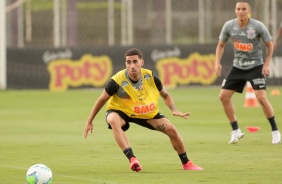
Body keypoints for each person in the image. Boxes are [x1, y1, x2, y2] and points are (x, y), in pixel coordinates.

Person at [83, 48, 203, 172]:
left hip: (145, 112)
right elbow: (101, 100)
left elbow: (165, 95)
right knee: (113, 120)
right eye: (129, 62)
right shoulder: (117, 81)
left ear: (142, 62)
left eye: (135, 61)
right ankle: (132, 159)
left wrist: (174, 109)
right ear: (126, 64)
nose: (132, 66)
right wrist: (89, 120)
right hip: (120, 111)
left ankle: (186, 163)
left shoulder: (150, 76)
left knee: (172, 130)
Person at [215, 1, 281, 144]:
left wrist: (267, 64)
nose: (241, 11)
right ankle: (235, 130)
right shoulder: (229, 26)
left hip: (256, 66)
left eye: (244, 9)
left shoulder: (257, 26)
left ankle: (275, 131)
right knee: (223, 96)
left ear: (249, 10)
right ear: (235, 10)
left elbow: (270, 45)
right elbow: (220, 46)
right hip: (238, 67)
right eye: (238, 9)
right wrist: (217, 63)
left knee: (262, 98)